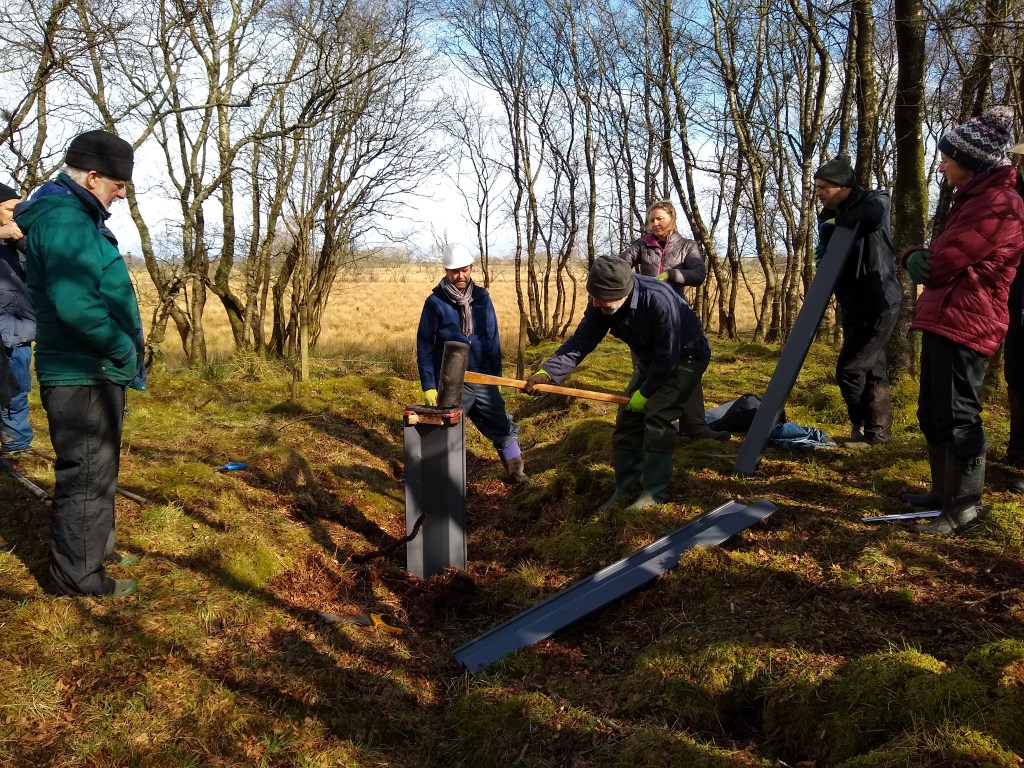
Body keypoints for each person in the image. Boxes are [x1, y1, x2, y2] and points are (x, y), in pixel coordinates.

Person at [15, 129, 146, 596]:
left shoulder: (73, 217)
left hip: (92, 370)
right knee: (86, 476)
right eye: (117, 182)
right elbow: (77, 307)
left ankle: (97, 550)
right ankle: (77, 579)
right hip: (82, 371)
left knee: (98, 468)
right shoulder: (68, 222)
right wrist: (123, 348)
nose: (122, 191)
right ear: (92, 177)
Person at [900, 106, 1024, 534]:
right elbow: (939, 264)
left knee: (959, 414)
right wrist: (919, 257)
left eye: (948, 157)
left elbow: (937, 266)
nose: (942, 164)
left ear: (970, 161)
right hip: (945, 317)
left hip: (968, 322)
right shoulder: (971, 200)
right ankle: (942, 494)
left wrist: (914, 255)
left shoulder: (997, 205)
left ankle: (965, 507)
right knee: (933, 410)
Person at [524, 257, 710, 512]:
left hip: (686, 355)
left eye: (603, 299)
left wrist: (645, 393)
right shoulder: (600, 304)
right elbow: (581, 342)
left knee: (657, 415)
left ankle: (655, 493)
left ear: (623, 294)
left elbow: (669, 354)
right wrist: (547, 373)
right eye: (593, 296)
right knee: (628, 417)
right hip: (650, 357)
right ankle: (626, 486)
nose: (596, 303)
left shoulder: (658, 300)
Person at [618, 199, 728, 441]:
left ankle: (696, 426)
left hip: (676, 316)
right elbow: (619, 267)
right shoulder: (642, 245)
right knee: (647, 373)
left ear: (672, 218)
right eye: (651, 220)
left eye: (660, 218)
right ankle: (657, 427)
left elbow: (698, 274)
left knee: (687, 371)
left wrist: (671, 275)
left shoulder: (688, 246)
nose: (655, 223)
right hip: (643, 320)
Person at [416, 243, 526, 482]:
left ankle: (516, 472)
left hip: (483, 377)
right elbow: (424, 344)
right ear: (446, 271)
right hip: (450, 381)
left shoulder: (482, 298)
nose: (460, 275)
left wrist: (495, 376)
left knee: (501, 425)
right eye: (454, 271)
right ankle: (441, 483)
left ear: (471, 268)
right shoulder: (435, 303)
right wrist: (428, 385)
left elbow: (492, 337)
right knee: (445, 431)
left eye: (464, 270)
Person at [813, 155, 902, 446]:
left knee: (849, 369)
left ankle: (861, 424)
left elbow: (873, 216)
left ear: (843, 186)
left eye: (824, 186)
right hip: (852, 301)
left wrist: (836, 221)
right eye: (817, 187)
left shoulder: (875, 200)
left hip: (879, 300)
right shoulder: (828, 213)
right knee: (873, 370)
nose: (819, 193)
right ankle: (877, 436)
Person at [0, 182, 35, 456]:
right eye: (10, 209)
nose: (16, 214)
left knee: (18, 389)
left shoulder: (24, 239)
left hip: (18, 332)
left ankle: (17, 445)